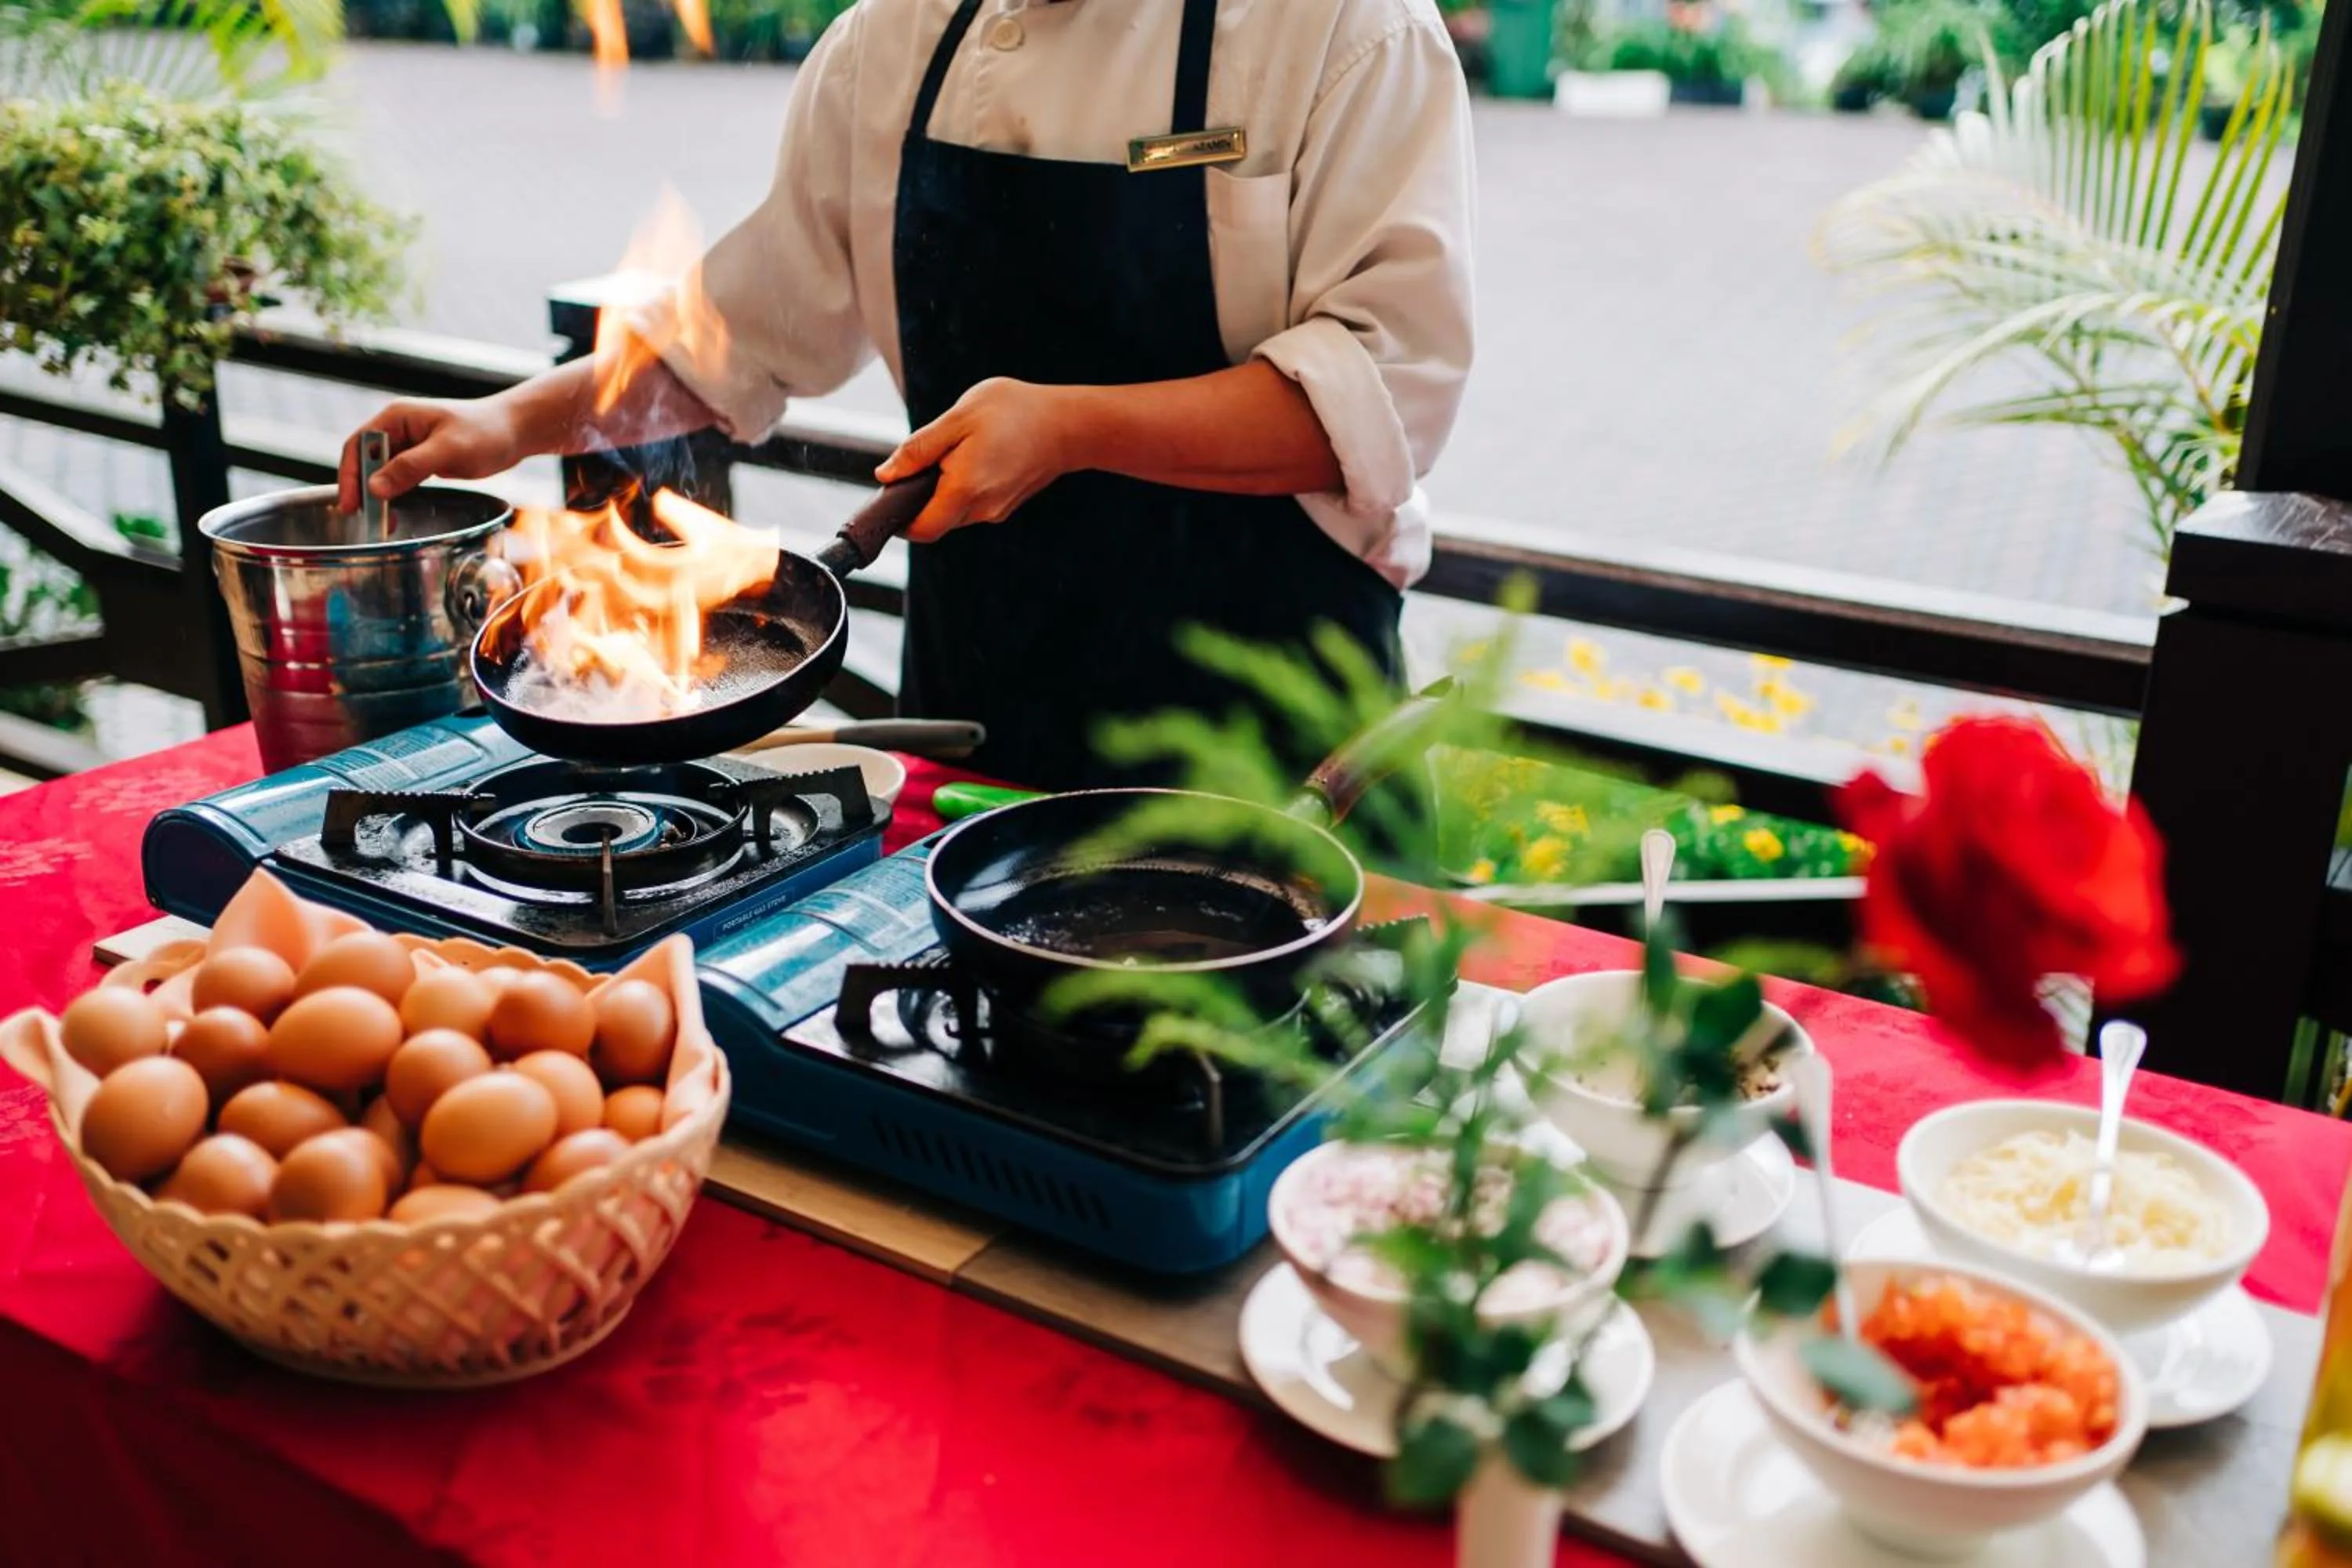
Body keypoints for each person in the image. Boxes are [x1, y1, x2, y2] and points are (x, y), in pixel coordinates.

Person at [341, 0, 1475, 789]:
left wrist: (1071, 428)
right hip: (983, 719)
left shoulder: (1346, 29)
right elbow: (730, 335)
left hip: (1277, 749)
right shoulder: (898, 40)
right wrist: (508, 421)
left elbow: (1385, 398)